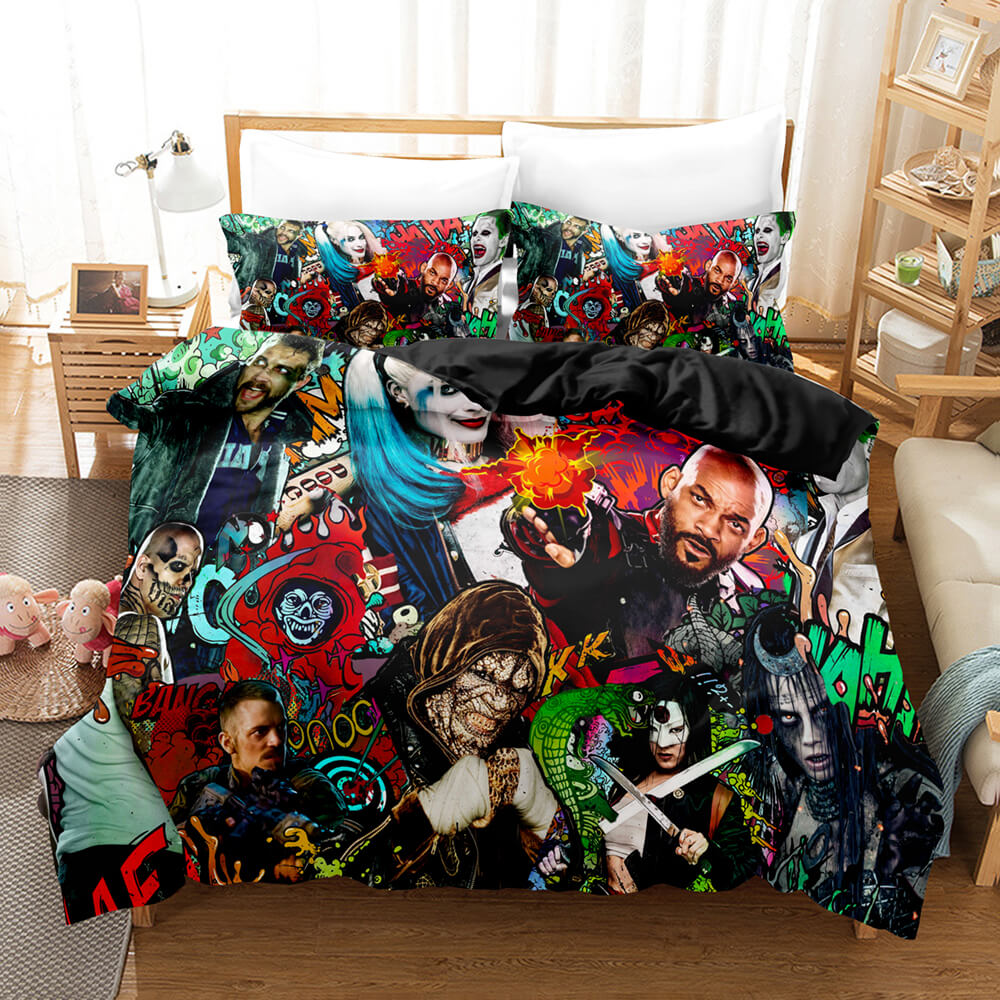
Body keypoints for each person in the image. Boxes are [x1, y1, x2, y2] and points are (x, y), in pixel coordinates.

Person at [741, 604, 943, 935]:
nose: (811, 739)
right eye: (789, 718)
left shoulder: (897, 790)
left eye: (822, 712)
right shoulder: (778, 787)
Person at [340, 581, 558, 888]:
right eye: (483, 674)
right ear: (444, 660)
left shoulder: (517, 756)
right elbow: (319, 875)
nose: (500, 702)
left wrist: (542, 816)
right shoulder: (366, 729)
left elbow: (575, 878)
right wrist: (424, 816)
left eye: (518, 688)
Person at [505, 443, 774, 658]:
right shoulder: (613, 534)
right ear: (671, 483)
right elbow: (571, 555)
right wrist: (557, 529)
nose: (709, 529)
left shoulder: (745, 595)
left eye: (735, 524)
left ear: (754, 541)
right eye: (700, 499)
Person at [343, 351, 528, 617]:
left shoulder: (522, 463)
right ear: (399, 393)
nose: (476, 404)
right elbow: (402, 607)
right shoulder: (390, 505)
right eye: (449, 389)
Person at [108, 331, 323, 553]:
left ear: (300, 382)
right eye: (260, 362)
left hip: (233, 560)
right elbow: (132, 412)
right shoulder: (187, 409)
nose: (261, 375)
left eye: (282, 370)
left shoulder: (297, 435)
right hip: (168, 549)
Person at [168, 680, 348, 883]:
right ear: (228, 743)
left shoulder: (306, 783)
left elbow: (336, 832)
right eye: (259, 732)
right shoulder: (197, 786)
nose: (276, 741)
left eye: (281, 728)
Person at [371, 250, 465, 333]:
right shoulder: (406, 287)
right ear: (423, 268)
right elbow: (398, 289)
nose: (435, 282)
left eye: (443, 280)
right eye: (432, 273)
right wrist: (390, 285)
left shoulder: (447, 306)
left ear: (449, 285)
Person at [315, 219, 386, 310]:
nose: (360, 244)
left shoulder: (374, 263)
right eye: (351, 239)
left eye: (361, 237)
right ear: (334, 241)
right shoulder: (336, 277)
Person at [230, 218, 304, 291]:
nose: (283, 232)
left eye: (291, 231)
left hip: (273, 297)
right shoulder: (259, 243)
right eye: (282, 228)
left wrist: (291, 284)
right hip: (246, 293)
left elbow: (294, 283)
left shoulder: (295, 259)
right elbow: (235, 243)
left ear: (299, 236)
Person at [600, 224, 659, 313]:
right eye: (636, 236)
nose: (645, 241)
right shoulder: (620, 274)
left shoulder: (657, 261)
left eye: (647, 235)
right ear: (619, 237)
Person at [463, 211, 510, 317]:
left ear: (503, 241)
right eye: (474, 234)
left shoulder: (504, 282)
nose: (476, 238)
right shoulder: (469, 281)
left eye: (485, 233)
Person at [749, 213, 792, 316]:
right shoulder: (755, 275)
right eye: (757, 231)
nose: (759, 236)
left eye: (767, 230)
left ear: (784, 237)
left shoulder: (783, 278)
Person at [511, 274, 558, 341]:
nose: (553, 295)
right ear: (536, 288)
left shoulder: (522, 305)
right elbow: (540, 341)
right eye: (549, 290)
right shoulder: (537, 308)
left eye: (554, 292)